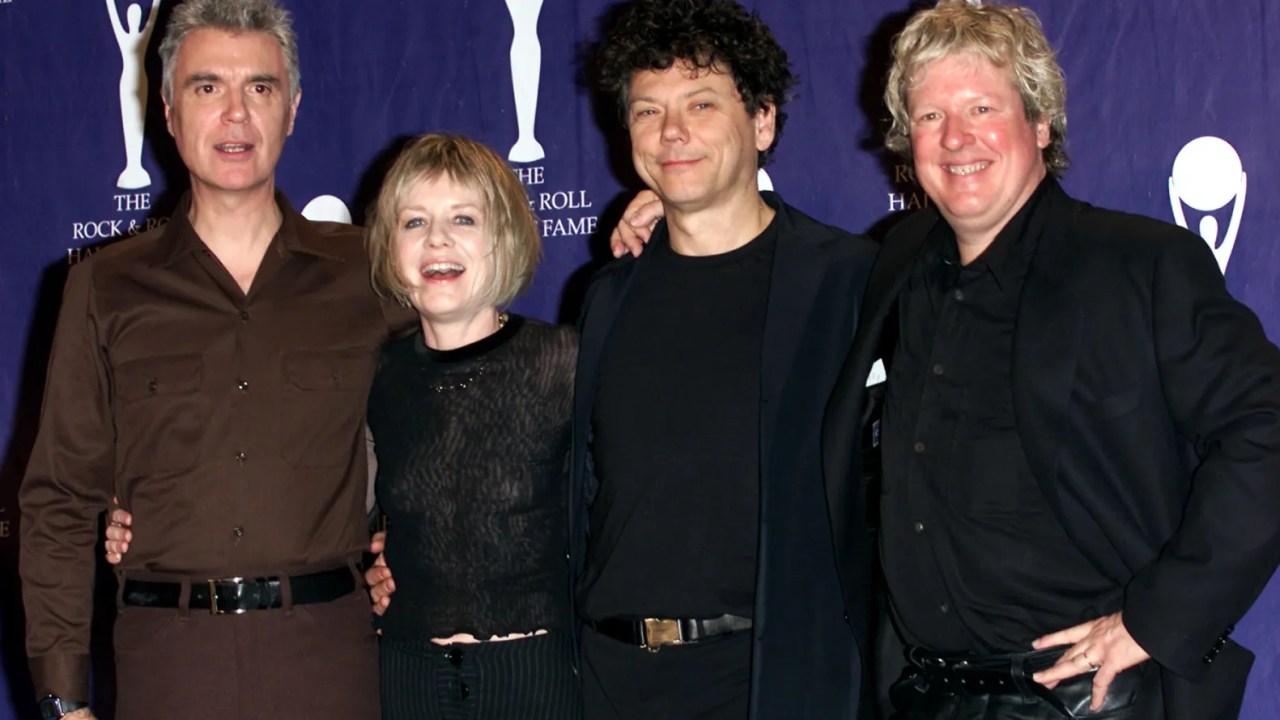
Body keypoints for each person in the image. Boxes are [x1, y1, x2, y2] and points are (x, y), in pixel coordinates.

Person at [819, 1, 1280, 718]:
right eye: (931, 116)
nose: (956, 137)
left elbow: (1269, 431)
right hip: (922, 698)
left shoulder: (1141, 266)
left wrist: (1157, 619)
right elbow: (788, 275)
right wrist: (680, 214)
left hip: (1084, 702)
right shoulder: (897, 263)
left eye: (981, 107)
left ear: (1039, 124)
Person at [19, 1, 402, 718]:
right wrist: (61, 697)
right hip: (167, 663)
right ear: (166, 110)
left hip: (331, 659)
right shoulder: (103, 285)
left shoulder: (372, 270)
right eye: (207, 88)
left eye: (259, 87)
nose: (236, 114)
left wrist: (403, 539)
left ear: (292, 108)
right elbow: (61, 501)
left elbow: (466, 392)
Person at [571, 1, 878, 717]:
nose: (672, 131)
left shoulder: (848, 281)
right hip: (613, 680)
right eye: (648, 111)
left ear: (763, 121)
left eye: (701, 104)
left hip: (769, 681)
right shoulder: (608, 295)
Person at [363, 133, 580, 718]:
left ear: (502, 237)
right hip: (406, 680)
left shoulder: (564, 362)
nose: (437, 239)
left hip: (538, 680)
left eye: (463, 218)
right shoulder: (377, 378)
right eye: (414, 222)